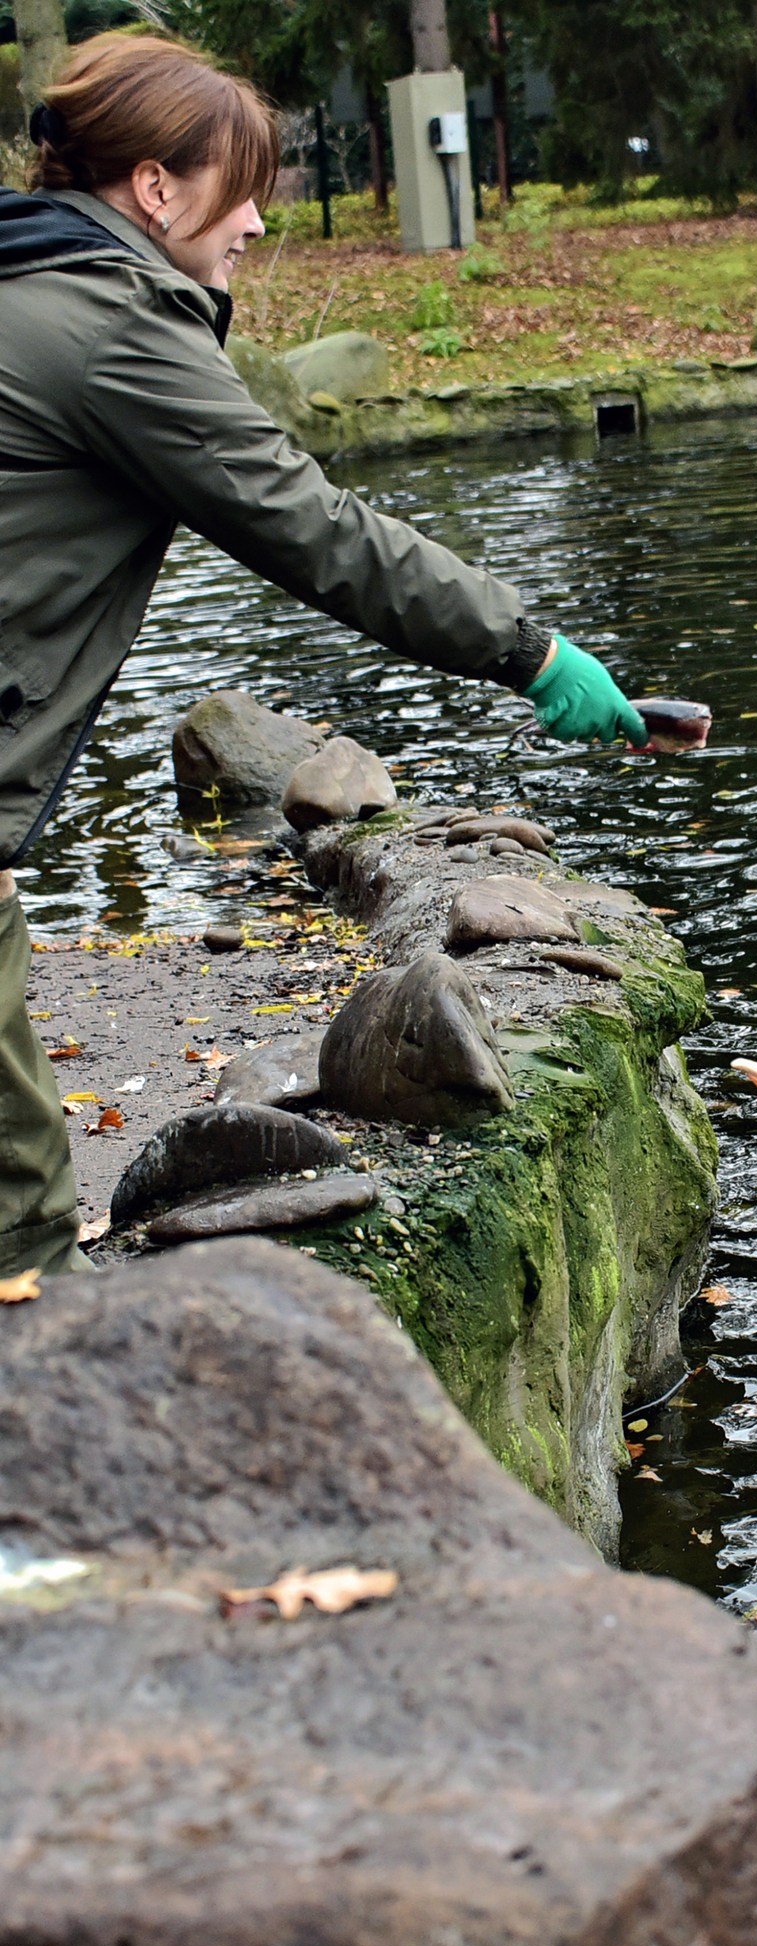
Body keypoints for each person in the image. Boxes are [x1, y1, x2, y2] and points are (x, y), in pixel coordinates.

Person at [0, 33, 645, 1284]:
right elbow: (317, 531)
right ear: (154, 187)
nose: (253, 222)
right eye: (239, 189)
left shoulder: (29, 289)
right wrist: (532, 649)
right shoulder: (111, 330)